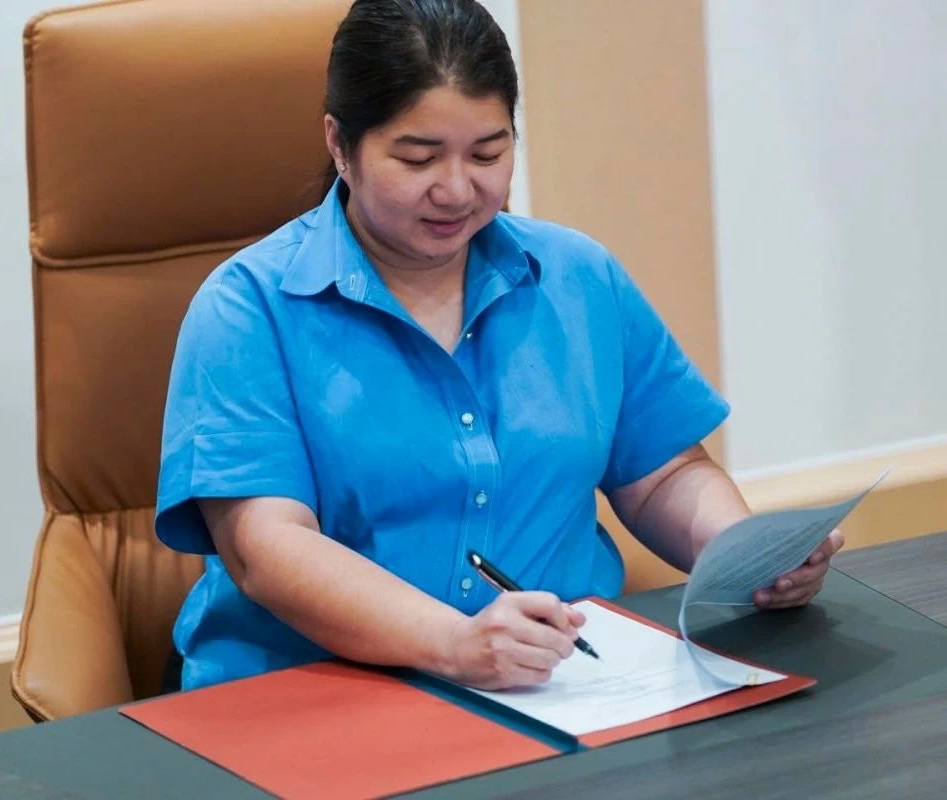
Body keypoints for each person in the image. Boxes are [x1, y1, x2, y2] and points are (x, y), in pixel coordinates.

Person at [155, 0, 844, 694]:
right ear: (340, 144)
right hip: (314, 696)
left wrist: (742, 553)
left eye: (488, 153)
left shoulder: (577, 277)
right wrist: (453, 644)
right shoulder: (247, 309)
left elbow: (664, 474)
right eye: (418, 158)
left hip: (558, 688)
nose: (457, 190)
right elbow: (267, 547)